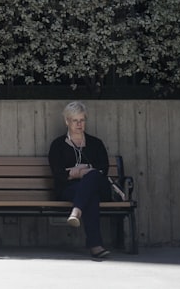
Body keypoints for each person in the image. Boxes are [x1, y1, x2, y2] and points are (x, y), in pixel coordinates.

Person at [48, 101, 113, 260]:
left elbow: (103, 170)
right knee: (91, 196)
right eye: (75, 120)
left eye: (82, 120)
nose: (79, 124)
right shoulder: (58, 145)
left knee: (92, 178)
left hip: (99, 186)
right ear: (67, 121)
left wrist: (79, 172)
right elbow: (58, 174)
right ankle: (95, 246)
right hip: (70, 189)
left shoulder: (96, 144)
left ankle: (76, 211)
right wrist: (83, 172)